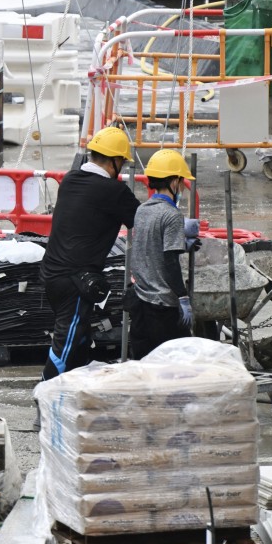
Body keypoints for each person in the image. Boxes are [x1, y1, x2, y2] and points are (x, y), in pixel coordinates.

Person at [40, 126, 140, 381]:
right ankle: (45, 397)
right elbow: (145, 220)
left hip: (52, 275)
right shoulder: (113, 192)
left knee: (80, 338)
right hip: (74, 281)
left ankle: (73, 397)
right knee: (67, 342)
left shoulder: (70, 180)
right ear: (116, 161)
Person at [127, 149, 197, 360]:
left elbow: (148, 248)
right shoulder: (172, 214)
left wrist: (182, 244)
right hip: (163, 307)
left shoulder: (142, 210)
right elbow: (170, 261)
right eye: (182, 180)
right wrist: (183, 297)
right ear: (174, 181)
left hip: (140, 301)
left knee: (144, 364)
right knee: (176, 366)